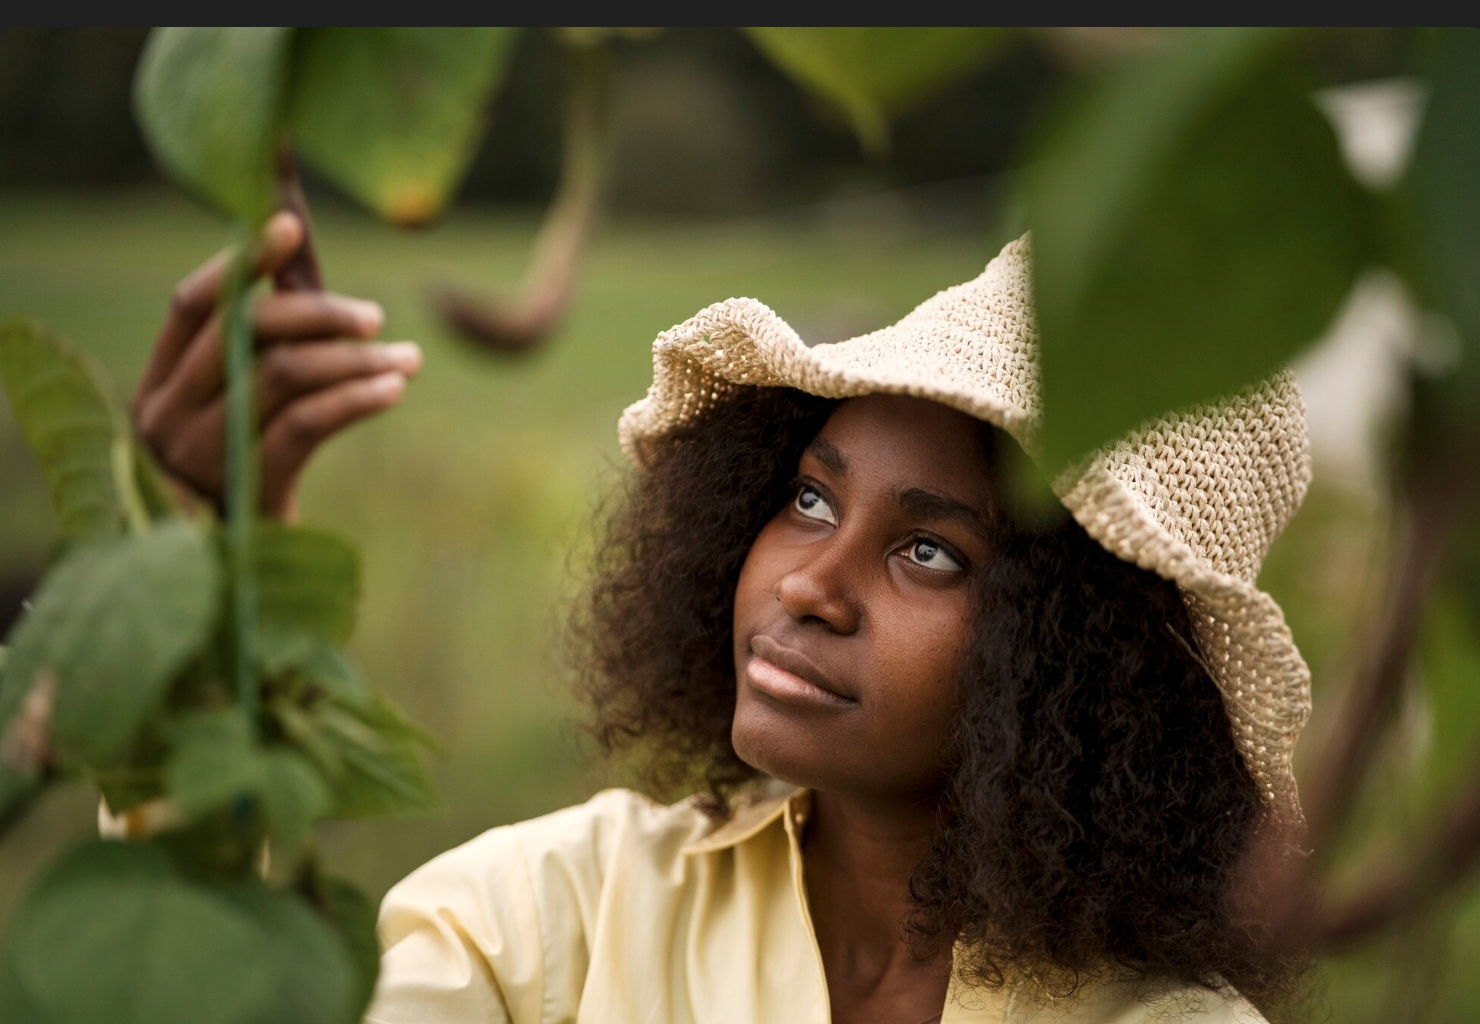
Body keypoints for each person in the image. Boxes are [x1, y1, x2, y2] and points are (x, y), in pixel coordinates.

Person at [134, 212, 1314, 1023]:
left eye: (927, 551)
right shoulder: (567, 913)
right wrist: (201, 572)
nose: (808, 581)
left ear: (1086, 672)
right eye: (808, 497)